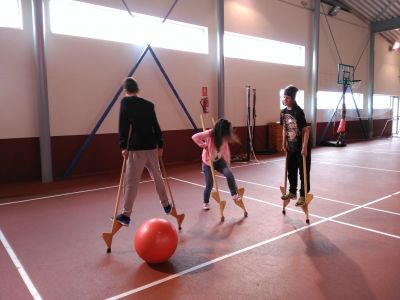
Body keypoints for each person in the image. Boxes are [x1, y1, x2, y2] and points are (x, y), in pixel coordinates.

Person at [115, 77, 172, 226]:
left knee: (131, 182)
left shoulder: (125, 103)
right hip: (152, 146)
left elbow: (123, 126)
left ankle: (126, 215)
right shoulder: (149, 105)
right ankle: (166, 204)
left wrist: (123, 146)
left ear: (126, 90)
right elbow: (156, 126)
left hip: (136, 149)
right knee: (157, 176)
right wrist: (161, 145)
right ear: (137, 89)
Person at [192, 118, 242, 210]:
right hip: (208, 162)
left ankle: (234, 194)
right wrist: (202, 145)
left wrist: (227, 164)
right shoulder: (210, 133)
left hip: (219, 161)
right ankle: (205, 202)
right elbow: (194, 136)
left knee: (229, 173)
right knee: (210, 184)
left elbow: (226, 151)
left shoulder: (224, 137)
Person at [280, 85, 311, 207]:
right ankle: (292, 192)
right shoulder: (283, 112)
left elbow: (306, 130)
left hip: (301, 146)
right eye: (284, 97)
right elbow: (284, 128)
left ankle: (303, 195)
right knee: (291, 170)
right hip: (291, 146)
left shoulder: (298, 111)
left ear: (292, 98)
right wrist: (283, 143)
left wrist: (304, 148)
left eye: (287, 98)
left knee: (303, 172)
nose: (285, 100)